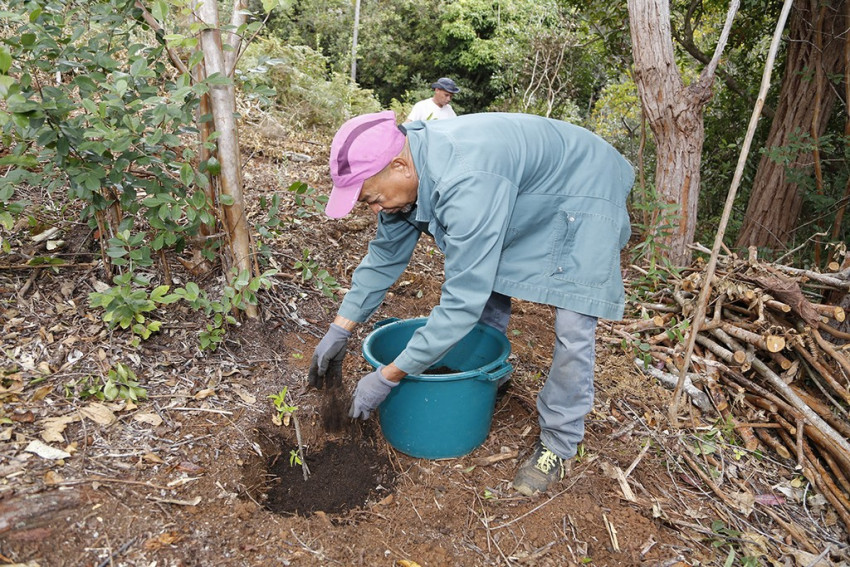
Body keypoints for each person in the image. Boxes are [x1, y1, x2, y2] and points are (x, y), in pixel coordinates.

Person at [308, 110, 633, 496]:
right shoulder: (405, 167)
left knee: (573, 324)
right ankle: (481, 373)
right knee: (487, 280)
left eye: (374, 199)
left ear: (399, 165)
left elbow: (461, 303)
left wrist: (388, 376)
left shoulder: (465, 181)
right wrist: (339, 328)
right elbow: (383, 258)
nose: (376, 209)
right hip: (518, 185)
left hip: (585, 183)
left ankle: (558, 445)